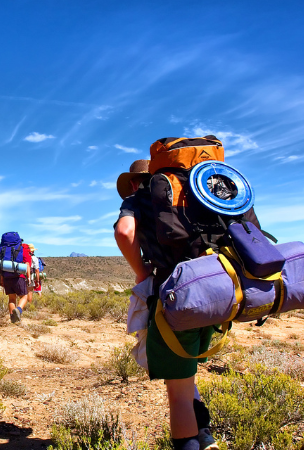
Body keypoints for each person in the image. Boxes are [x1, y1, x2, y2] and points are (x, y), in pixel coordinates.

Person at [113, 159, 217, 450]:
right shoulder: (192, 194)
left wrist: (142, 271)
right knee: (185, 374)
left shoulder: (137, 199)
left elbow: (124, 233)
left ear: (136, 181)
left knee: (178, 391)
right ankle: (204, 433)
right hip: (215, 289)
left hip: (175, 296)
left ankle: (195, 442)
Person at [0, 234, 31, 323]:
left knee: (11, 299)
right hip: (19, 276)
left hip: (6, 277)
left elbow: (0, 266)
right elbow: (27, 264)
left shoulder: (1, 249)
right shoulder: (21, 248)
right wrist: (28, 277)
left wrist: (2, 279)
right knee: (24, 296)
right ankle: (19, 310)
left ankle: (13, 319)